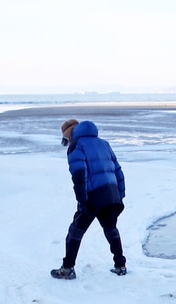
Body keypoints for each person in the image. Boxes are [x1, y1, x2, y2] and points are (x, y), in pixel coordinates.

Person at [52, 119, 127, 279]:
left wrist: (82, 201)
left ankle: (67, 269)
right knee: (111, 229)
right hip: (111, 194)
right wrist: (119, 197)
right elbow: (118, 171)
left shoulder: (76, 146)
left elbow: (79, 175)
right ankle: (120, 266)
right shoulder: (104, 144)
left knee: (75, 231)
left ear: (69, 134)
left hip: (93, 196)